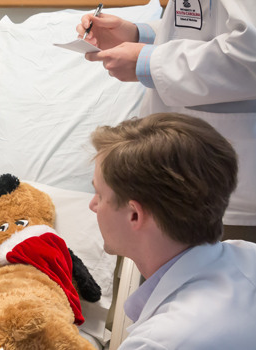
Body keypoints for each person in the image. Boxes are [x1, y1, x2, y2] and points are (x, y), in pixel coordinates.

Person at [0, 112, 256, 349]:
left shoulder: (161, 340)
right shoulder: (247, 256)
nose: (92, 206)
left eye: (99, 194)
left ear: (134, 215)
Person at [76, 0, 256, 227]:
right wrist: (138, 34)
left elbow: (250, 52)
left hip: (233, 190)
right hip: (183, 178)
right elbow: (204, 25)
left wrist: (150, 62)